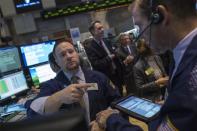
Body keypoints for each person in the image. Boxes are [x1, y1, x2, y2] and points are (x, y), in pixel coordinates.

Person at [91, 0, 197, 130]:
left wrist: (111, 120)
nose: (139, 37)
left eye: (140, 26)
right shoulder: (182, 54)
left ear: (161, 16)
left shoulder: (191, 75)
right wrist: (169, 104)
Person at [27, 38, 120, 123]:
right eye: (62, 55)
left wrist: (107, 118)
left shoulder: (98, 77)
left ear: (77, 53)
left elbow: (117, 100)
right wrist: (59, 97)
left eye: (71, 52)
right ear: (56, 61)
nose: (68, 56)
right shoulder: (52, 85)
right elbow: (33, 113)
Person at [85, 21, 124, 95]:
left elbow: (114, 54)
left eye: (102, 27)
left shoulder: (106, 41)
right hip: (106, 77)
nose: (102, 30)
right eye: (99, 28)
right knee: (112, 96)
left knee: (120, 93)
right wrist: (109, 58)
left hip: (116, 74)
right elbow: (96, 64)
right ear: (93, 31)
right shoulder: (90, 47)